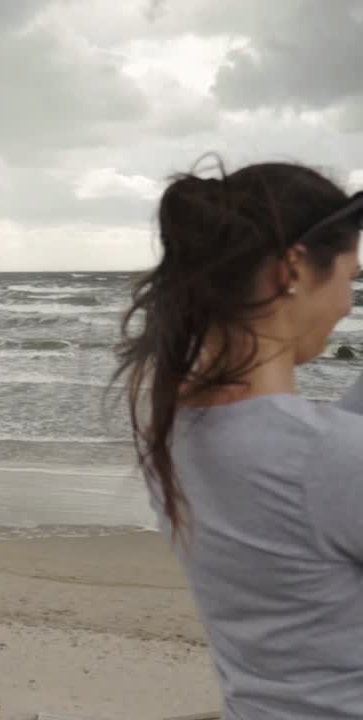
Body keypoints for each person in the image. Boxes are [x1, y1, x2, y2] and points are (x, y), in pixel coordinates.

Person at [114, 159, 363, 718]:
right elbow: (321, 463)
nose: (349, 305)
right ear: (292, 269)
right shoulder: (325, 459)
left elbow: (302, 457)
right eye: (350, 278)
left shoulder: (171, 432)